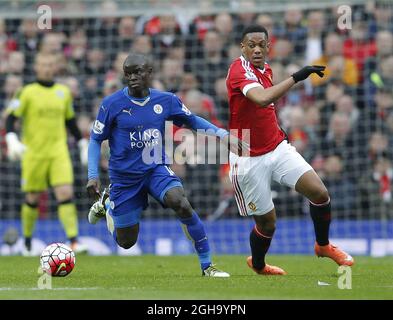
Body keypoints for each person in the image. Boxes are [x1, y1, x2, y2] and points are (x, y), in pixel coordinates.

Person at [86, 53, 245, 277]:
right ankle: (108, 205)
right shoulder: (111, 104)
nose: (132, 77)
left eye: (138, 72)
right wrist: (93, 175)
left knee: (180, 202)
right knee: (126, 243)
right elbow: (95, 139)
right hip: (124, 178)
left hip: (155, 168)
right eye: (128, 73)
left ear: (150, 73)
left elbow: (192, 121)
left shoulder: (166, 100)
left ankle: (207, 266)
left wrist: (223, 135)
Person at [226, 25, 354, 275]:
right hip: (247, 157)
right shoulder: (238, 70)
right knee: (268, 224)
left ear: (268, 46)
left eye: (261, 44)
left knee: (319, 193)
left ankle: (323, 245)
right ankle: (259, 264)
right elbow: (262, 99)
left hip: (277, 148)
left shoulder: (266, 69)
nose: (256, 49)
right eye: (251, 45)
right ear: (242, 47)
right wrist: (297, 76)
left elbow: (265, 108)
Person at [5, 53, 89, 256]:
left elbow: (70, 120)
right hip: (33, 153)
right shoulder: (25, 92)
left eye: (50, 64)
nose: (47, 67)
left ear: (55, 67)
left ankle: (74, 241)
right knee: (32, 198)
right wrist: (11, 138)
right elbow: (11, 117)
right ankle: (26, 242)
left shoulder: (63, 92)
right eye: (43, 64)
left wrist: (82, 142)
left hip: (58, 152)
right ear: (36, 67)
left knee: (65, 193)